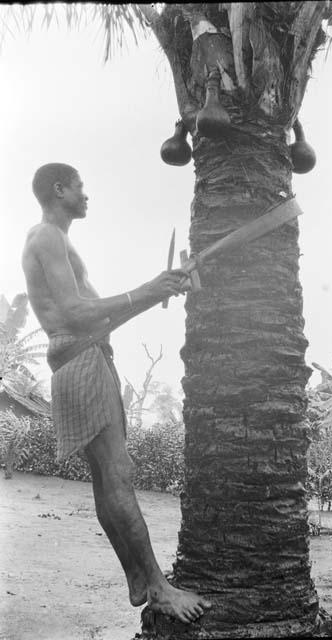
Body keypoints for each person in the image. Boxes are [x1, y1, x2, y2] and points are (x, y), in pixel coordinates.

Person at [22, 163, 211, 624]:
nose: (87, 195)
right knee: (118, 475)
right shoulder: (47, 236)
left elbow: (94, 318)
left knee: (107, 479)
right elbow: (73, 311)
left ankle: (139, 578)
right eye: (80, 187)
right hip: (82, 363)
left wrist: (155, 292)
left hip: (80, 358)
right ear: (59, 189)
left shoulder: (56, 241)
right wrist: (147, 289)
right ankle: (161, 587)